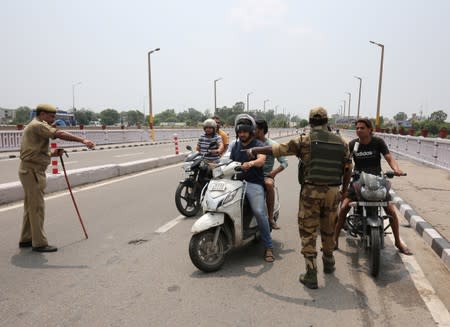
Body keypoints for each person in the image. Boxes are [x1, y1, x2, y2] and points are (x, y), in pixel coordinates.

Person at [246, 107, 352, 288]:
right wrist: (344, 191)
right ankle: (329, 261)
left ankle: (311, 274)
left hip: (311, 192)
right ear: (327, 121)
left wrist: (254, 150)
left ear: (310, 122)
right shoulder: (342, 142)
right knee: (328, 227)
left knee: (308, 231)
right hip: (333, 192)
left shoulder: (305, 140)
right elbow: (348, 168)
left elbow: (278, 149)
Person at [19, 104, 95, 252]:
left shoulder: (35, 126)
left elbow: (33, 151)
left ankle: (27, 238)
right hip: (32, 171)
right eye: (51, 116)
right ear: (42, 114)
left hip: (29, 169)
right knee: (37, 208)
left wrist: (52, 154)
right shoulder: (38, 125)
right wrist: (83, 141)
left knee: (30, 207)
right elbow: (59, 133)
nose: (53, 120)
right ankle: (39, 243)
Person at [333, 118, 412, 255]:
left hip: (377, 180)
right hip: (358, 181)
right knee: (344, 206)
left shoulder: (378, 142)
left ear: (370, 129)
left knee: (391, 210)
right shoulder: (353, 145)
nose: (359, 130)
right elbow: (346, 162)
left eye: (362, 128)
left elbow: (388, 157)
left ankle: (398, 242)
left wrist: (396, 169)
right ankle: (334, 240)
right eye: (357, 128)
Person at [229, 114, 275, 263]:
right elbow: (225, 159)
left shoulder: (258, 145)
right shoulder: (234, 145)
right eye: (240, 131)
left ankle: (268, 246)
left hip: (253, 183)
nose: (242, 134)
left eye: (245, 131)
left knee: (259, 212)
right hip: (235, 182)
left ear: (251, 131)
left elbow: (261, 160)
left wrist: (252, 163)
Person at [255, 119, 288, 230]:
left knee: (269, 185)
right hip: (249, 174)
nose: (252, 131)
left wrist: (273, 173)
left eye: (255, 129)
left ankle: (270, 218)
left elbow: (284, 162)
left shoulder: (273, 145)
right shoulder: (249, 142)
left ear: (261, 130)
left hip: (265, 175)